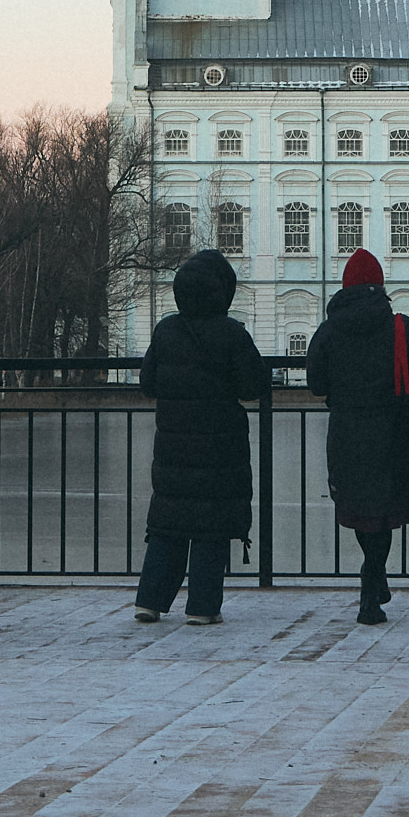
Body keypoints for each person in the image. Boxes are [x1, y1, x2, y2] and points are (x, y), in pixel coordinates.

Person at [134, 248, 268, 624]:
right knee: (212, 525)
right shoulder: (231, 334)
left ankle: (150, 600)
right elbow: (252, 386)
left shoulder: (166, 330)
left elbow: (147, 384)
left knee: (168, 522)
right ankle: (202, 608)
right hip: (219, 446)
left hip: (173, 446)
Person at [301, 247, 409, 625]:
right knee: (384, 512)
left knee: (362, 512)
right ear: (380, 284)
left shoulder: (329, 329)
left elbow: (315, 384)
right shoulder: (401, 326)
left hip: (346, 432)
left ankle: (372, 580)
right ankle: (371, 581)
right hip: (394, 432)